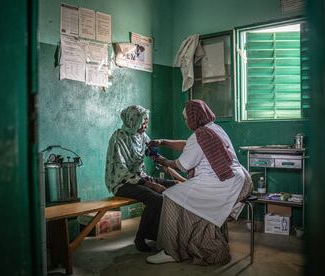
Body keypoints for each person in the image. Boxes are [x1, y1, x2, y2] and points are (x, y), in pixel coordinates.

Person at [146, 99, 253, 265]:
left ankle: (171, 251)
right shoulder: (214, 128)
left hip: (221, 183)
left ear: (194, 118)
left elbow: (182, 164)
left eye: (186, 118)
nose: (186, 121)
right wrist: (163, 142)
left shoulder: (200, 135)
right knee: (185, 198)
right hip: (239, 179)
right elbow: (189, 145)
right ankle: (194, 240)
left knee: (170, 196)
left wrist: (162, 161)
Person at [105, 105, 175, 252]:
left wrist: (171, 164)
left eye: (147, 121)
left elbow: (152, 153)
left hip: (139, 177)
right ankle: (140, 238)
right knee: (156, 198)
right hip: (122, 183)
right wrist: (152, 185)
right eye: (143, 122)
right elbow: (122, 172)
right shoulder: (118, 138)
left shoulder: (141, 136)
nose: (146, 125)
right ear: (132, 121)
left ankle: (162, 234)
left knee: (173, 185)